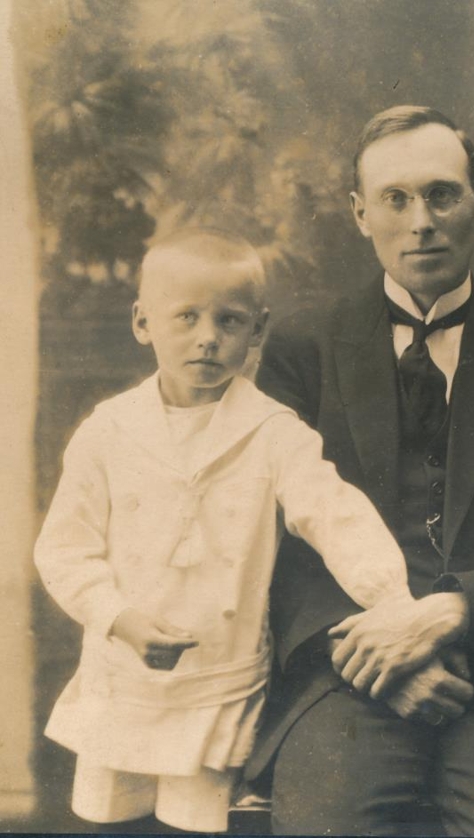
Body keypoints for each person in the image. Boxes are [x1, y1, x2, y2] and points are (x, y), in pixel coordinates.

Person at [243, 105, 474, 836]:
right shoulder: (304, 351)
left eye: (441, 195)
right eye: (395, 199)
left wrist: (453, 611)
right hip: (350, 669)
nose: (420, 221)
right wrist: (375, 651)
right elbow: (270, 545)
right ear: (360, 213)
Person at [34, 228, 417, 833]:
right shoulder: (107, 432)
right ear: (143, 322)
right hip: (122, 678)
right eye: (186, 317)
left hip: (220, 681)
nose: (208, 337)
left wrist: (394, 602)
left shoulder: (272, 432)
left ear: (258, 330)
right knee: (113, 821)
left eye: (229, 320)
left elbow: (337, 515)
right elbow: (64, 550)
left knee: (200, 823)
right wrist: (117, 616)